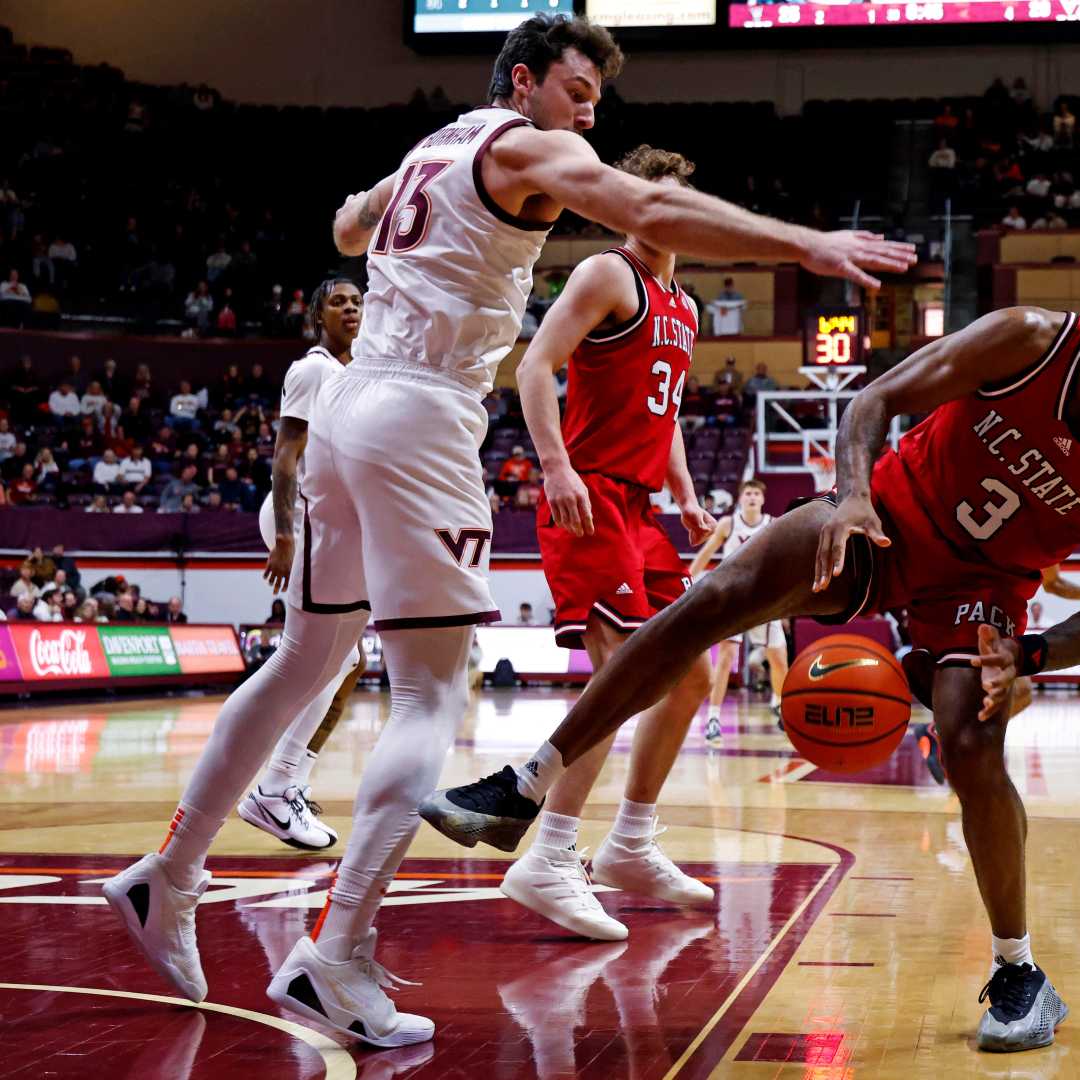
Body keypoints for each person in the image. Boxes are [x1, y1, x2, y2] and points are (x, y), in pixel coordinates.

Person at [100, 14, 916, 1048]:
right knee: (432, 694)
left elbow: (348, 230)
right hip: (422, 416)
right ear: (522, 81)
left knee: (304, 660)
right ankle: (335, 956)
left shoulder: (432, 147)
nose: (588, 117)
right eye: (576, 92)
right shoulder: (531, 148)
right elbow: (648, 201)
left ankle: (169, 873)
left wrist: (376, 208)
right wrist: (805, 243)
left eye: (596, 103)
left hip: (353, 414)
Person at [420, 241, 1080, 1054]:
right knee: (713, 598)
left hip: (980, 591)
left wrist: (1025, 657)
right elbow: (872, 401)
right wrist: (852, 494)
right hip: (886, 518)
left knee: (970, 742)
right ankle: (524, 785)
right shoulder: (1029, 338)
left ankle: (1019, 972)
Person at [451, 145, 724, 943]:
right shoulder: (608, 274)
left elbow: (662, 412)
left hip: (640, 509)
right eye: (652, 200)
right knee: (624, 680)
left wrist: (683, 495)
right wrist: (556, 466)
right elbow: (533, 367)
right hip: (589, 497)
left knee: (691, 680)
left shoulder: (686, 304)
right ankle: (550, 856)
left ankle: (631, 843)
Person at [237, 278, 367, 852]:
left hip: (331, 524)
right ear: (318, 315)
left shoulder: (357, 372)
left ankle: (288, 781)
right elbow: (286, 455)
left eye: (357, 300)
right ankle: (274, 785)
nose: (351, 308)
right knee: (312, 661)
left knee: (349, 661)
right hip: (303, 521)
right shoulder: (313, 369)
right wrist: (285, 536)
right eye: (338, 301)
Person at [689, 478, 789, 740]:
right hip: (733, 598)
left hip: (764, 600)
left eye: (757, 493)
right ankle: (713, 718)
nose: (753, 497)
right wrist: (689, 578)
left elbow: (782, 562)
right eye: (748, 493)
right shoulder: (728, 523)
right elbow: (706, 553)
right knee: (725, 658)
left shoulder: (773, 524)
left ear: (763, 499)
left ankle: (779, 702)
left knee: (778, 659)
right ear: (741, 499)